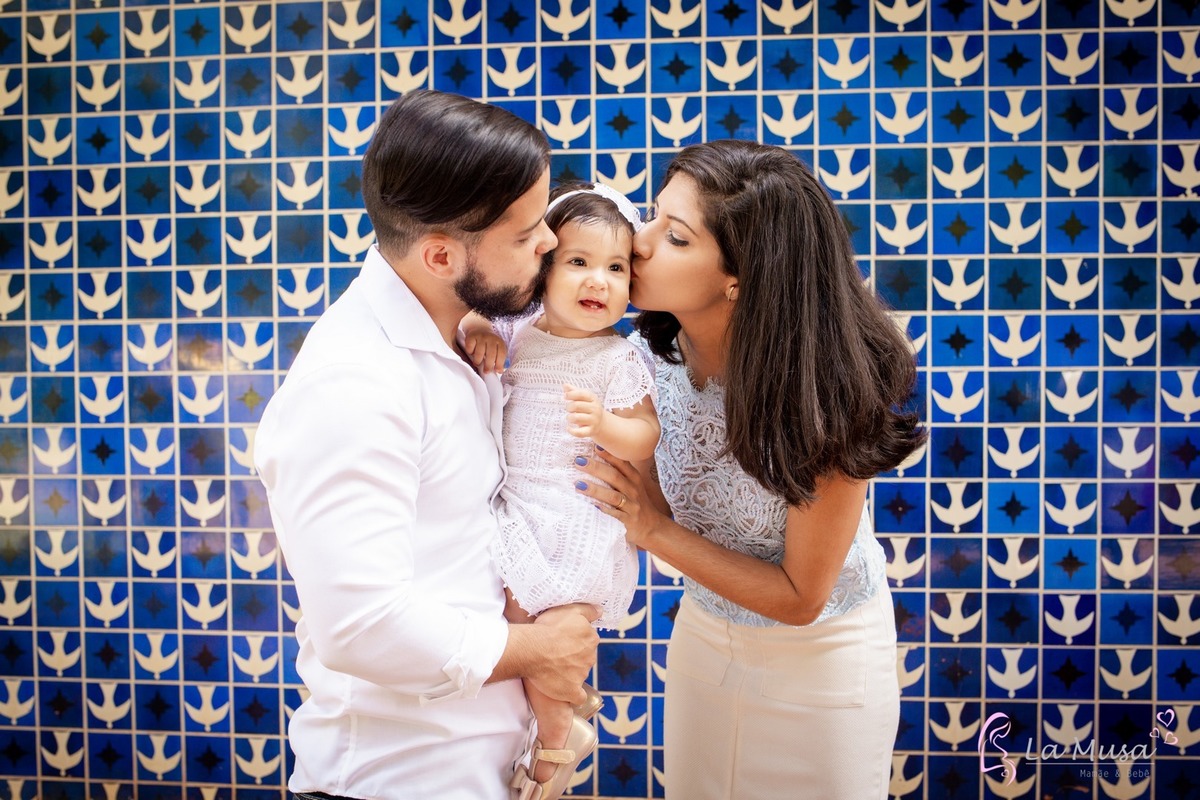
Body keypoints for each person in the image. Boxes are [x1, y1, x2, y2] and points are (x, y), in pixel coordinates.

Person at [253, 90, 599, 800]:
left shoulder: (459, 333)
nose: (550, 243)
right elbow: (360, 624)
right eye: (527, 231)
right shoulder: (355, 382)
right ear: (441, 254)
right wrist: (542, 649)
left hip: (474, 770)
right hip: (396, 781)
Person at [574, 140, 925, 799]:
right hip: (706, 643)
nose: (639, 242)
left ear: (740, 275)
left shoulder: (827, 393)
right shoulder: (647, 360)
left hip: (824, 668)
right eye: (651, 217)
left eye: (674, 237)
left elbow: (801, 598)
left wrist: (651, 530)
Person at [463, 182, 660, 800]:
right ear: (542, 273)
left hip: (578, 515)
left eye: (615, 268)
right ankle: (562, 710)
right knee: (522, 620)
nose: (598, 281)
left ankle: (553, 750)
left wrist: (607, 427)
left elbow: (645, 435)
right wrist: (476, 324)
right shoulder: (518, 332)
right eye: (579, 262)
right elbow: (467, 315)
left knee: (562, 624)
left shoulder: (617, 358)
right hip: (521, 505)